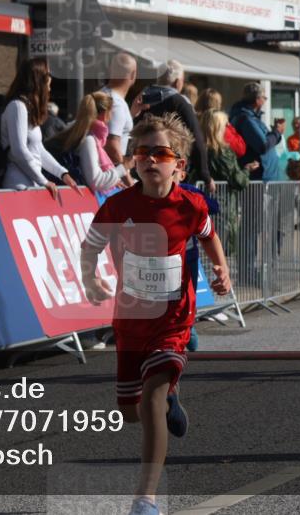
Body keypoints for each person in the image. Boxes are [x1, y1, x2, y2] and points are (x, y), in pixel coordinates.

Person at [81, 113, 231, 515]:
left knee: (149, 401)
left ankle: (145, 499)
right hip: (131, 321)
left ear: (179, 165)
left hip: (173, 320)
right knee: (130, 412)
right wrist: (91, 279)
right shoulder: (117, 206)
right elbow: (90, 246)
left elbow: (209, 237)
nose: (149, 159)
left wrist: (222, 269)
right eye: (141, 152)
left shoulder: (191, 206)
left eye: (160, 153)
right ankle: (170, 399)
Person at [0, 57, 80, 197]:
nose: (51, 79)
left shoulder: (27, 108)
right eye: (48, 74)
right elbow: (18, 150)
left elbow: (39, 150)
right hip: (18, 186)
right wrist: (44, 181)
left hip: (32, 183)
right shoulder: (17, 107)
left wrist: (62, 173)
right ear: (38, 78)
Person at [139, 60, 213, 189]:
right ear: (177, 82)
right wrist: (205, 175)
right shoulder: (179, 102)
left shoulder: (141, 100)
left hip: (142, 164)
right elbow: (195, 136)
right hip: (171, 167)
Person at [50, 92, 127, 195]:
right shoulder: (89, 140)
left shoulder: (81, 133)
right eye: (111, 112)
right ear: (105, 114)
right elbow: (96, 181)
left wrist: (113, 181)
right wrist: (124, 167)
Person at [101, 52, 143, 187]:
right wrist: (128, 181)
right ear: (133, 75)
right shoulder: (117, 103)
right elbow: (112, 146)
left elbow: (110, 130)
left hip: (105, 175)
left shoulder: (103, 94)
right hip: (110, 179)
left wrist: (131, 114)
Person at [229, 82, 284, 182]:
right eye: (264, 98)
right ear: (257, 100)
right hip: (259, 178)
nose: (265, 101)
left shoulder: (251, 117)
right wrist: (277, 132)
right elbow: (263, 145)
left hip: (264, 177)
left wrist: (275, 133)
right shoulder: (247, 120)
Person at [194, 110, 255, 192]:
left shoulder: (196, 147)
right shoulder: (222, 152)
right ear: (218, 127)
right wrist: (247, 169)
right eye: (226, 124)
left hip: (199, 199)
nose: (228, 127)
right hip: (221, 201)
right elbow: (238, 181)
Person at [196, 88, 246, 159]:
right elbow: (240, 149)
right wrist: (229, 127)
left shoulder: (192, 120)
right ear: (217, 104)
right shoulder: (219, 125)